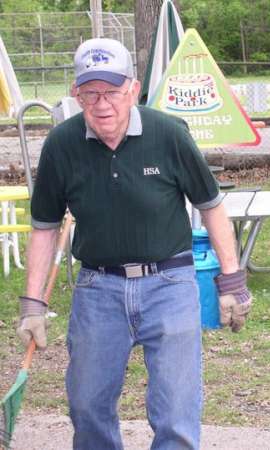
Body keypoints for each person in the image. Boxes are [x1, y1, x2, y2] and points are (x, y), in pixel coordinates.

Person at [16, 38, 252, 450]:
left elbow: (211, 206)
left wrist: (230, 280)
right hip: (98, 289)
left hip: (171, 283)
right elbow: (44, 226)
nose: (101, 103)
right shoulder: (61, 146)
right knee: (87, 409)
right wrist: (33, 304)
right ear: (76, 94)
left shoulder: (168, 135)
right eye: (90, 93)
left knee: (176, 414)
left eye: (111, 91)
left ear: (134, 88)